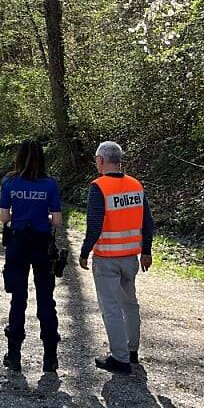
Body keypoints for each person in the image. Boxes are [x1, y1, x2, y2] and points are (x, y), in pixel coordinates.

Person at [79, 141, 155, 374]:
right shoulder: (135, 185)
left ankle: (119, 358)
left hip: (106, 259)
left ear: (101, 160)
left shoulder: (98, 187)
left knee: (111, 308)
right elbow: (147, 221)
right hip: (130, 258)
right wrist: (147, 251)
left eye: (96, 159)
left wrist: (84, 251)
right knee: (130, 305)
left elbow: (94, 224)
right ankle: (132, 351)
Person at [0, 140, 62, 373]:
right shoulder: (50, 185)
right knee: (46, 299)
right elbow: (57, 220)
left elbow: (4, 218)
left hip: (17, 243)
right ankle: (50, 358)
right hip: (42, 244)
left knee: (18, 298)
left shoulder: (9, 182)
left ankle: (14, 355)